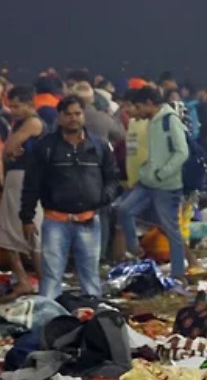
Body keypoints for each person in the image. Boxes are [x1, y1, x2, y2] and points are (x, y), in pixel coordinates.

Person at [20, 95, 120, 299]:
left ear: (84, 115)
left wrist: (105, 197)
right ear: (60, 117)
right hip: (55, 221)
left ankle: (93, 320)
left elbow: (112, 176)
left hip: (89, 220)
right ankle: (49, 322)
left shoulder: (99, 146)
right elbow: (32, 184)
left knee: (90, 276)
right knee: (51, 276)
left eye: (77, 114)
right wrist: (27, 217)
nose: (73, 118)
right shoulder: (46, 147)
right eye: (68, 114)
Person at [115, 85, 189, 280]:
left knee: (171, 229)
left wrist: (161, 174)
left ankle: (178, 273)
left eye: (138, 107)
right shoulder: (152, 121)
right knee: (124, 209)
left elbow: (182, 152)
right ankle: (134, 248)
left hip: (165, 185)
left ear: (149, 104)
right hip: (147, 181)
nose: (136, 112)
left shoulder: (169, 120)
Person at [0, 88, 44, 294]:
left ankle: (37, 280)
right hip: (19, 176)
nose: (13, 110)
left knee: (21, 231)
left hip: (23, 179)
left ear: (29, 104)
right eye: (11, 105)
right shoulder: (20, 124)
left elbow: (8, 149)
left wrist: (9, 153)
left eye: (17, 106)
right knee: (13, 232)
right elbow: (8, 153)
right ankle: (28, 279)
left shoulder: (32, 123)